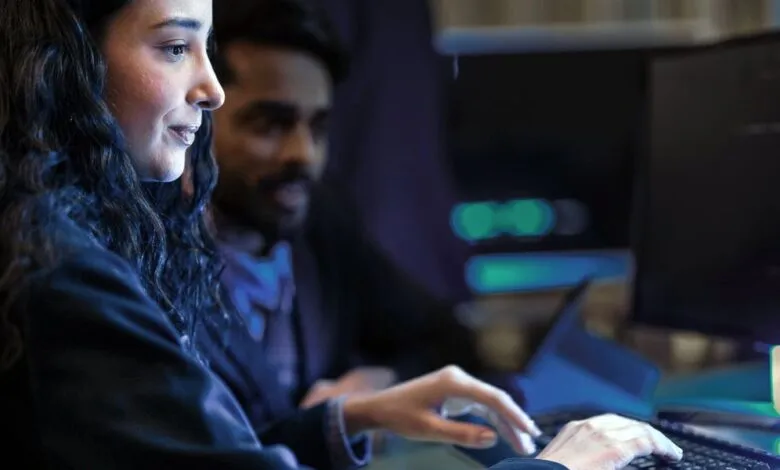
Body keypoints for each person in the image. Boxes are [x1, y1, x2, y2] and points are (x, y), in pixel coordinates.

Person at [0, 0, 684, 469]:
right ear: (69, 64)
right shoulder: (63, 268)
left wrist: (348, 415)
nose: (210, 89)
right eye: (176, 47)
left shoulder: (64, 235)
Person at [205, 0, 508, 439]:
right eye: (270, 125)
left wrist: (377, 381)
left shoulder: (319, 222)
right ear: (194, 119)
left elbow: (443, 338)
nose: (303, 154)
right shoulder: (146, 255)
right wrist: (342, 420)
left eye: (319, 127)